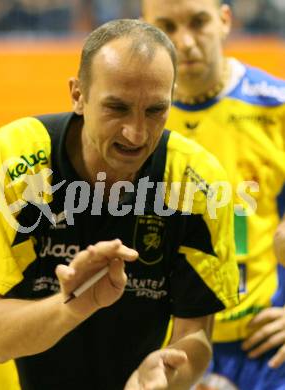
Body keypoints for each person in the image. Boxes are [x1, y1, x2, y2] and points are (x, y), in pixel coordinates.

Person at [0, 19, 239, 390]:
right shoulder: (16, 159)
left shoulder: (197, 181)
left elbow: (196, 334)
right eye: (117, 108)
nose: (136, 133)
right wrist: (77, 303)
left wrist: (167, 378)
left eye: (155, 110)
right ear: (78, 95)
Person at [142, 0, 285, 388]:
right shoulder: (135, 122)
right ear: (147, 31)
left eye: (198, 22)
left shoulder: (276, 106)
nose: (185, 41)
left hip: (264, 348)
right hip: (168, 345)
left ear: (225, 20)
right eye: (167, 26)